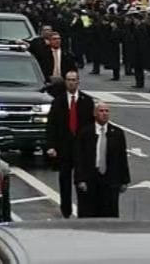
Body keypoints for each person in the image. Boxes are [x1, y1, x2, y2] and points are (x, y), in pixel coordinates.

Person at [45, 69, 95, 218]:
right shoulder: (58, 101)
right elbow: (51, 125)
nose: (72, 82)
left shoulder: (87, 101)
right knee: (64, 180)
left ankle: (83, 210)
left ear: (78, 82)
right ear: (65, 82)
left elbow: (91, 126)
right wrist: (51, 146)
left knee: (82, 180)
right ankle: (65, 210)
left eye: (74, 80)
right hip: (64, 147)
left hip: (82, 149)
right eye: (69, 80)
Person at [74, 102, 130, 217]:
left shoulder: (117, 133)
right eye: (101, 111)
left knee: (110, 213)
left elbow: (122, 158)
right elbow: (79, 158)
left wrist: (124, 180)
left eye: (106, 111)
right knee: (88, 213)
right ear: (94, 113)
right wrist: (80, 179)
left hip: (110, 180)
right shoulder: (85, 133)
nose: (104, 114)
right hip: (90, 178)